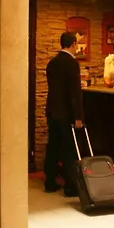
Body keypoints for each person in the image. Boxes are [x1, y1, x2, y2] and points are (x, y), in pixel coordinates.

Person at [44, 32, 83, 197]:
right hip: (66, 113)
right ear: (73, 44)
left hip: (52, 111)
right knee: (68, 149)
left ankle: (50, 181)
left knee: (53, 146)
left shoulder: (52, 63)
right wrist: (78, 116)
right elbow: (74, 93)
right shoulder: (72, 64)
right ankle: (70, 186)